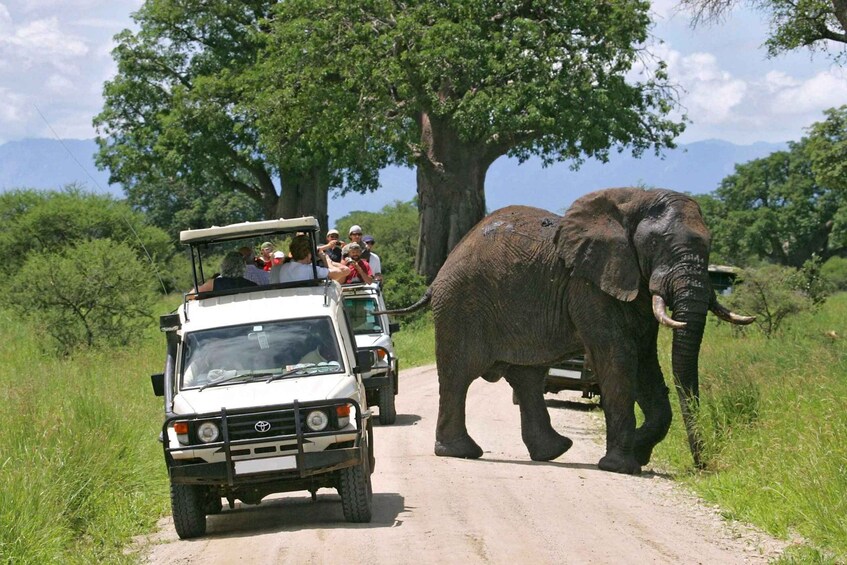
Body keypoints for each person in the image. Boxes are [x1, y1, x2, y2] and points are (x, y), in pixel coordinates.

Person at [271, 235, 349, 283]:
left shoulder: (280, 268)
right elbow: (344, 271)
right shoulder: (312, 270)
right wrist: (327, 260)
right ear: (309, 253)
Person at [193, 251, 258, 294]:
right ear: (243, 267)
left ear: (224, 266)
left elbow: (191, 295)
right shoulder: (252, 285)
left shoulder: (214, 283)